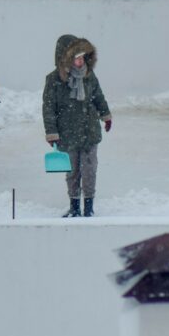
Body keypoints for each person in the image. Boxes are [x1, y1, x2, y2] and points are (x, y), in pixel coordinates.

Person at [42, 35, 112, 217]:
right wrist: (52, 133)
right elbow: (48, 108)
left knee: (89, 171)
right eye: (76, 58)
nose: (80, 61)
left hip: (89, 132)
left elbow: (98, 96)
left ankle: (89, 208)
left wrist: (105, 115)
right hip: (67, 133)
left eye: (82, 57)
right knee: (72, 172)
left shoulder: (89, 75)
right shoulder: (53, 80)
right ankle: (74, 207)